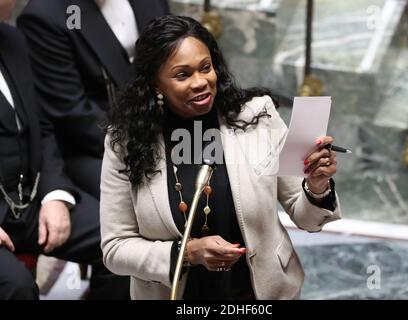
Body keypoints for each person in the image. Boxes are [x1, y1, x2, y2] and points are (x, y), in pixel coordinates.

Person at [100, 15, 342, 300]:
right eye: (182, 75)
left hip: (260, 294)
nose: (201, 82)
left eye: (206, 68)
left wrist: (316, 186)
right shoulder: (126, 141)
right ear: (155, 83)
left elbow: (308, 219)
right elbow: (116, 248)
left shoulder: (256, 116)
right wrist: (186, 253)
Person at [0, 0, 129, 299]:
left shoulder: (13, 40)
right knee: (16, 286)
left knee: (123, 246)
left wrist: (54, 194)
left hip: (30, 199)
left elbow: (42, 128)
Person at [17, 0, 170, 200]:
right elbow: (72, 112)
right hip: (97, 144)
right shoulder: (46, 15)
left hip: (163, 123)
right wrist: (147, 143)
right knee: (154, 196)